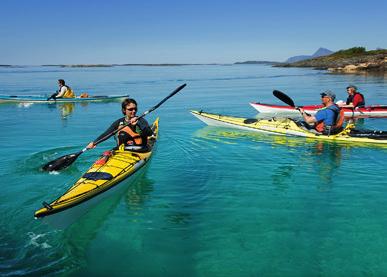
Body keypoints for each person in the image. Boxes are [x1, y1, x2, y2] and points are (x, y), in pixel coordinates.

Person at [86, 98, 153, 150]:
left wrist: (138, 123)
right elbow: (107, 134)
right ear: (124, 110)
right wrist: (94, 142)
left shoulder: (141, 120)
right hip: (122, 151)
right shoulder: (118, 122)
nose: (134, 111)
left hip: (140, 150)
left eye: (135, 109)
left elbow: (150, 133)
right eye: (130, 109)